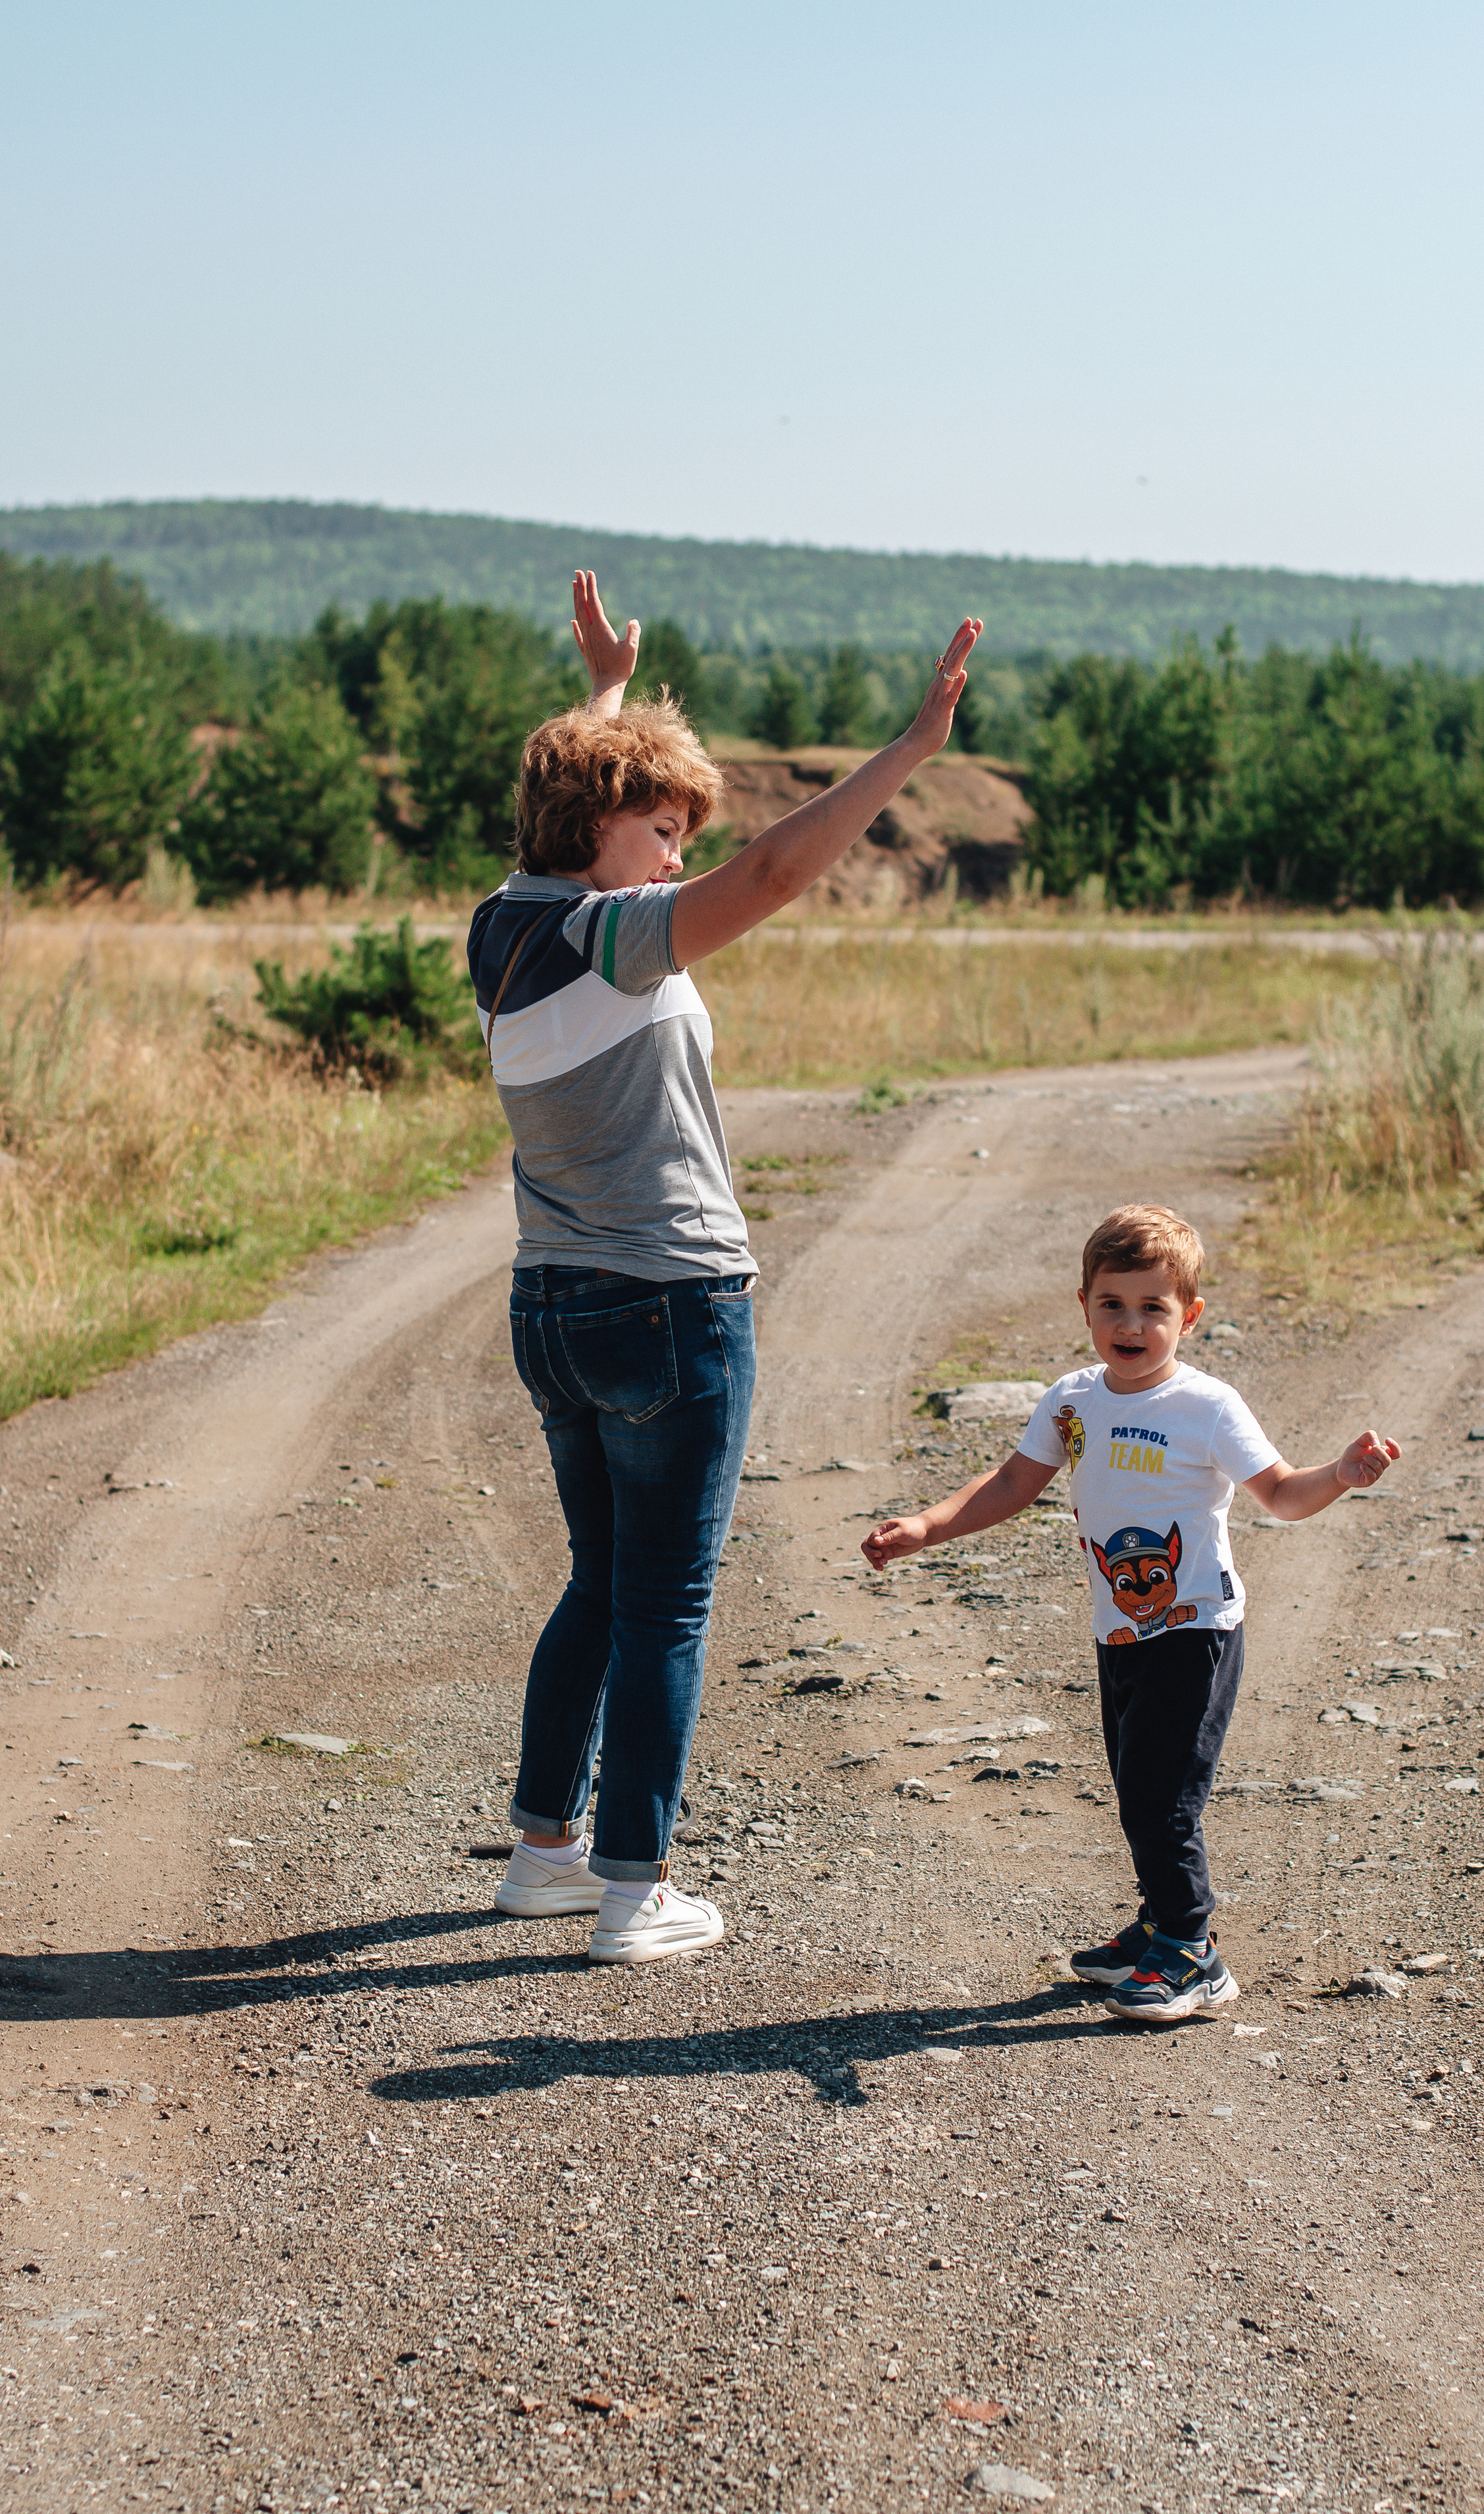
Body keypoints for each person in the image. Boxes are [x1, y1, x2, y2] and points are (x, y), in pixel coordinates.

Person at [470, 573, 981, 1965]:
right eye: (661, 828)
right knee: (664, 1604)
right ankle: (636, 1892)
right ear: (596, 823)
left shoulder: (506, 926)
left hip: (555, 1304)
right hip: (665, 1307)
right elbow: (768, 876)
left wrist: (605, 700)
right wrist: (909, 752)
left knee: (599, 1580)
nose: (677, 856)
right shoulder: (606, 938)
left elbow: (571, 807)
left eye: (684, 833)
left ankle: (545, 1856)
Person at [861, 1202, 1400, 2022]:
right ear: (1083, 1306)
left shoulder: (1207, 1406)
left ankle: (1191, 1951)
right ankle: (1155, 1926)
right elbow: (1011, 1483)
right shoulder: (1073, 1401)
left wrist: (1341, 1473)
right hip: (1118, 1629)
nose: (1131, 1323)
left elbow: (1283, 1495)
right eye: (1112, 1303)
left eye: (1154, 1307)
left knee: (1161, 1799)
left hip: (1195, 1628)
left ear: (1190, 1316)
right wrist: (930, 1526)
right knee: (1133, 1786)